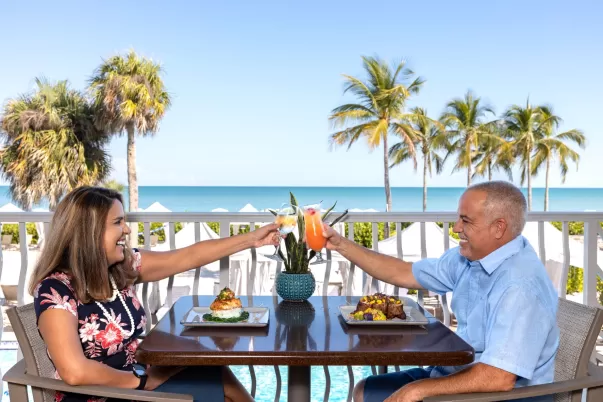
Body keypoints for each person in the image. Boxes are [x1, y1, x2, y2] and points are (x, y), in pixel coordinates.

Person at [29, 186, 280, 402]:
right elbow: (74, 371)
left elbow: (187, 256)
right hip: (107, 394)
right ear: (90, 233)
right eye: (118, 222)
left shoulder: (119, 270)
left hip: (138, 381)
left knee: (215, 372)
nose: (126, 230)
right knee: (218, 382)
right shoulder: (55, 291)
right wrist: (140, 381)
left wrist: (252, 240)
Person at [322, 181, 559, 402]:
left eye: (466, 221)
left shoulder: (520, 286)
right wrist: (341, 244)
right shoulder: (471, 259)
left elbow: (499, 377)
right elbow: (404, 273)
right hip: (460, 373)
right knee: (365, 390)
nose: (456, 228)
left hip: (500, 395)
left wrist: (416, 389)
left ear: (499, 228)